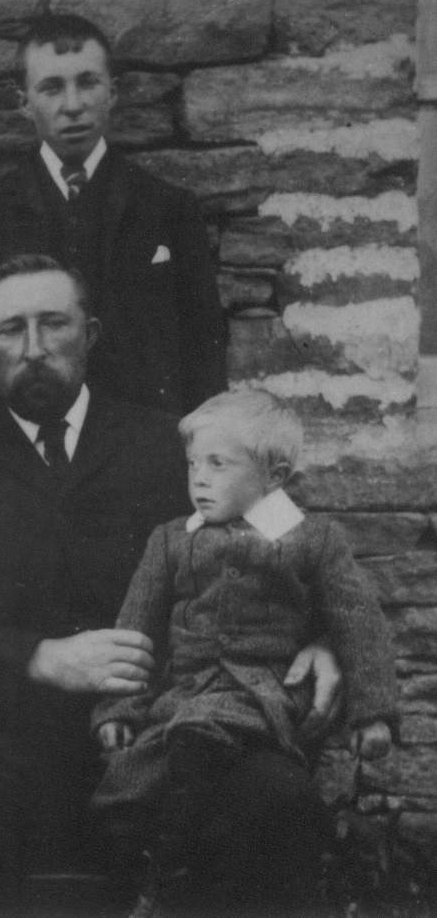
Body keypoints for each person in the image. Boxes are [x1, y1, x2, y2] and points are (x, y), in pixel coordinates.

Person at [0, 255, 341, 911]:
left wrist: (321, 637)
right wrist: (39, 657)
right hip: (7, 731)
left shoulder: (174, 445)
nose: (34, 348)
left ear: (90, 334)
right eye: (12, 330)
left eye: (54, 324)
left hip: (174, 723)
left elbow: (292, 544)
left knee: (275, 798)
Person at [92, 390, 397, 916]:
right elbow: (134, 630)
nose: (199, 479)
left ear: (273, 476)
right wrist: (117, 709)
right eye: (193, 464)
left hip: (265, 695)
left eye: (218, 464)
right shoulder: (169, 540)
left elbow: (359, 623)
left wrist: (373, 714)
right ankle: (150, 869)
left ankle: (170, 873)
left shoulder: (312, 540)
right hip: (184, 696)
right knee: (128, 782)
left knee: (205, 738)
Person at [0, 12, 225, 433]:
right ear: (24, 101)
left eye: (87, 83)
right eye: (51, 87)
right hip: (24, 450)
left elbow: (204, 352)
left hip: (143, 448)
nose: (72, 105)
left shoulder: (169, 210)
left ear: (113, 92)